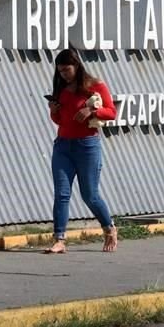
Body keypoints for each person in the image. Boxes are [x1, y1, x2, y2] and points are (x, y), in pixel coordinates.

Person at [45, 48, 118, 253]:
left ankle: (109, 228)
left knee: (90, 194)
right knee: (62, 193)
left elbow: (112, 113)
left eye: (67, 70)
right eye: (60, 71)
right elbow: (60, 121)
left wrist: (91, 110)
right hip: (63, 146)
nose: (63, 75)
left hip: (87, 145)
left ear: (76, 66)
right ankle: (59, 239)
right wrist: (53, 111)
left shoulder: (94, 86)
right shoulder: (62, 88)